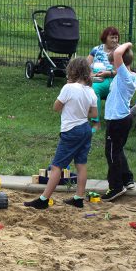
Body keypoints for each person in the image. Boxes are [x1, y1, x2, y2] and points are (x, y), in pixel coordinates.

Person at [24, 57, 97, 209]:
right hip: (85, 128)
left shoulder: (68, 88)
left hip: (71, 130)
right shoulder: (91, 91)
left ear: (72, 71)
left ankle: (43, 199)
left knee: (57, 166)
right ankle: (79, 198)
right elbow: (93, 113)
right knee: (81, 164)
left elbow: (56, 107)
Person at [101, 42, 136, 201]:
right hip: (122, 118)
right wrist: (107, 73)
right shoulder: (132, 75)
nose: (113, 65)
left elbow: (117, 56)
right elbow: (117, 65)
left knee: (111, 153)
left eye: (114, 63)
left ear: (121, 62)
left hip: (117, 119)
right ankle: (127, 178)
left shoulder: (125, 76)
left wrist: (127, 43)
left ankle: (115, 187)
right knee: (118, 149)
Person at [87, 26, 120, 132]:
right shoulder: (96, 50)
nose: (115, 40)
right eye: (112, 37)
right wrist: (91, 74)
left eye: (116, 37)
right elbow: (86, 65)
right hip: (94, 77)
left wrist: (107, 73)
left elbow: (122, 71)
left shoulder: (119, 51)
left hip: (111, 78)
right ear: (105, 38)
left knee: (94, 89)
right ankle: (82, 119)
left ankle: (96, 123)